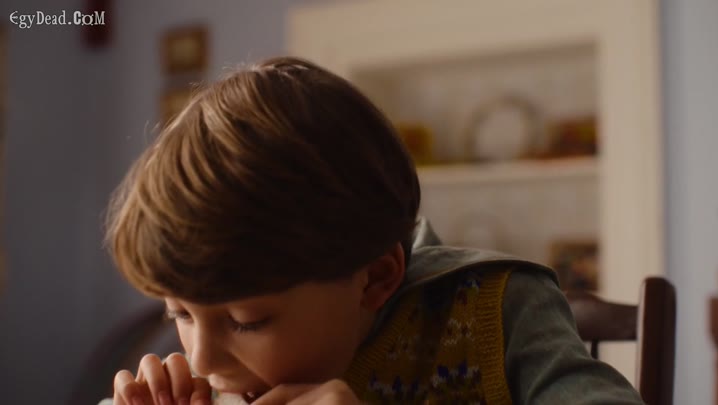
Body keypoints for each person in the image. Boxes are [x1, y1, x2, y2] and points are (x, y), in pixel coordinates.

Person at [101, 56, 644, 405]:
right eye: (179, 314)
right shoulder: (209, 383)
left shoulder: (501, 309)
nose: (202, 360)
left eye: (247, 321)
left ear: (376, 278)